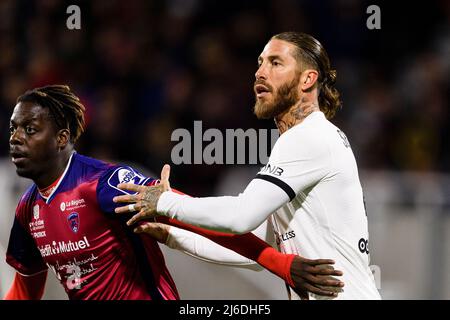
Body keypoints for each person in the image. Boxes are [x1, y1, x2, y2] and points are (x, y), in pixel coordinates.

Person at [4, 84, 343, 300]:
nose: (15, 138)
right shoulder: (28, 209)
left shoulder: (103, 183)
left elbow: (200, 221)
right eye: (13, 128)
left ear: (62, 138)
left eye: (30, 129)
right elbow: (24, 288)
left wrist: (280, 263)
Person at [114, 32, 381, 299]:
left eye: (275, 63)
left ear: (307, 79)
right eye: (260, 62)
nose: (260, 72)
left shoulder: (308, 138)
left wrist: (165, 202)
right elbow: (253, 249)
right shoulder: (309, 138)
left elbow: (241, 215)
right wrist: (172, 235)